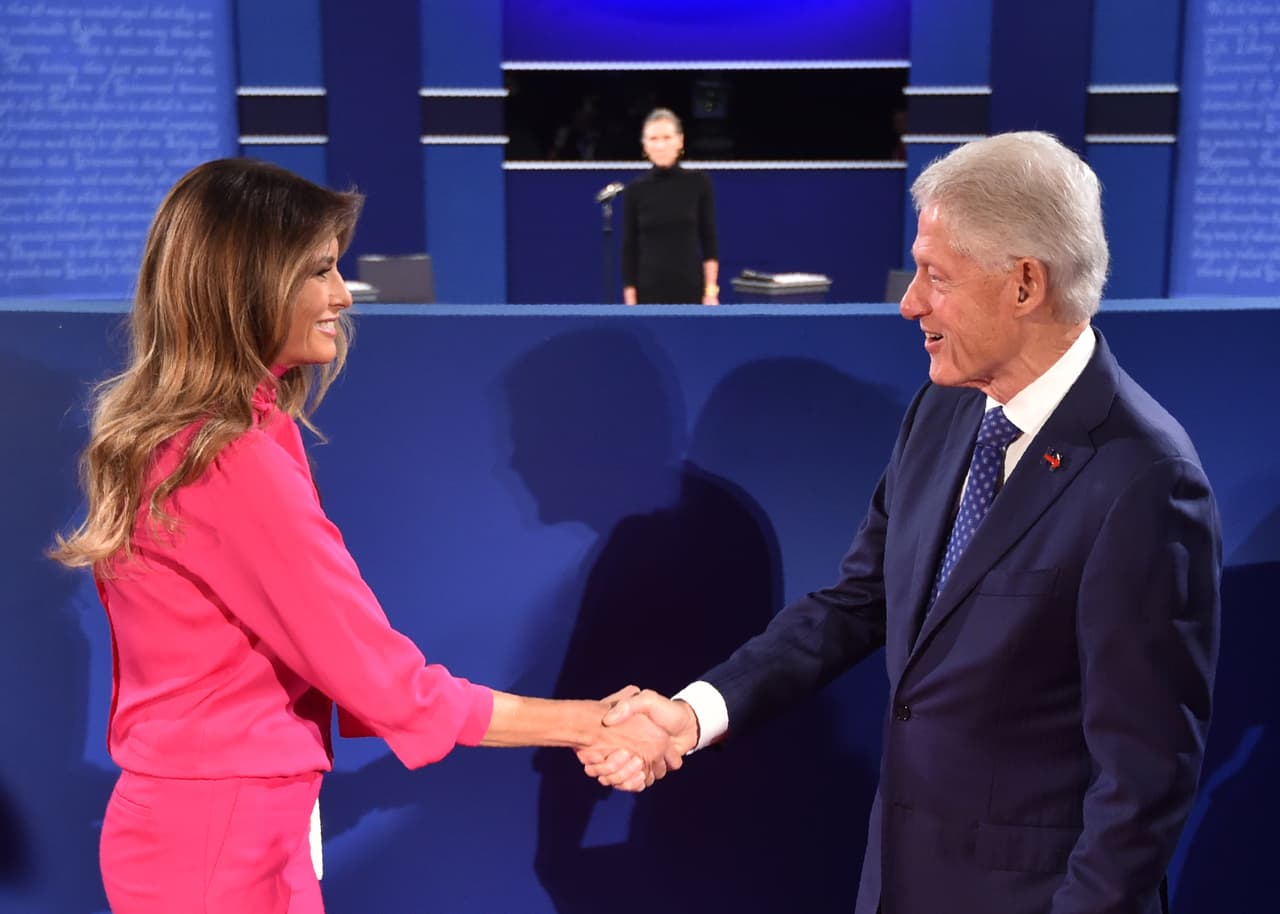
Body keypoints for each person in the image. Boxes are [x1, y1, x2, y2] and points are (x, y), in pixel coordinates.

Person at [588, 131, 1222, 914]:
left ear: (1024, 284)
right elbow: (856, 603)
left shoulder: (1146, 480)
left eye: (936, 277)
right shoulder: (944, 408)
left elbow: (1145, 781)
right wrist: (693, 713)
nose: (910, 302)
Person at [49, 158, 663, 914]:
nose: (342, 296)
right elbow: (380, 681)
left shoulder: (234, 436)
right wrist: (588, 722)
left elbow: (339, 678)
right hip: (217, 841)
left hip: (235, 825)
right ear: (246, 284)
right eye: (319, 272)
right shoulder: (229, 459)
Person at [621, 108, 720, 305]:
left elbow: (709, 240)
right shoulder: (635, 190)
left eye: (667, 138)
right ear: (645, 145)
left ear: (680, 141)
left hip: (691, 289)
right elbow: (629, 248)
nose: (660, 145)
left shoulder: (698, 183)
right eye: (654, 139)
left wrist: (711, 291)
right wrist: (630, 300)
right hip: (648, 292)